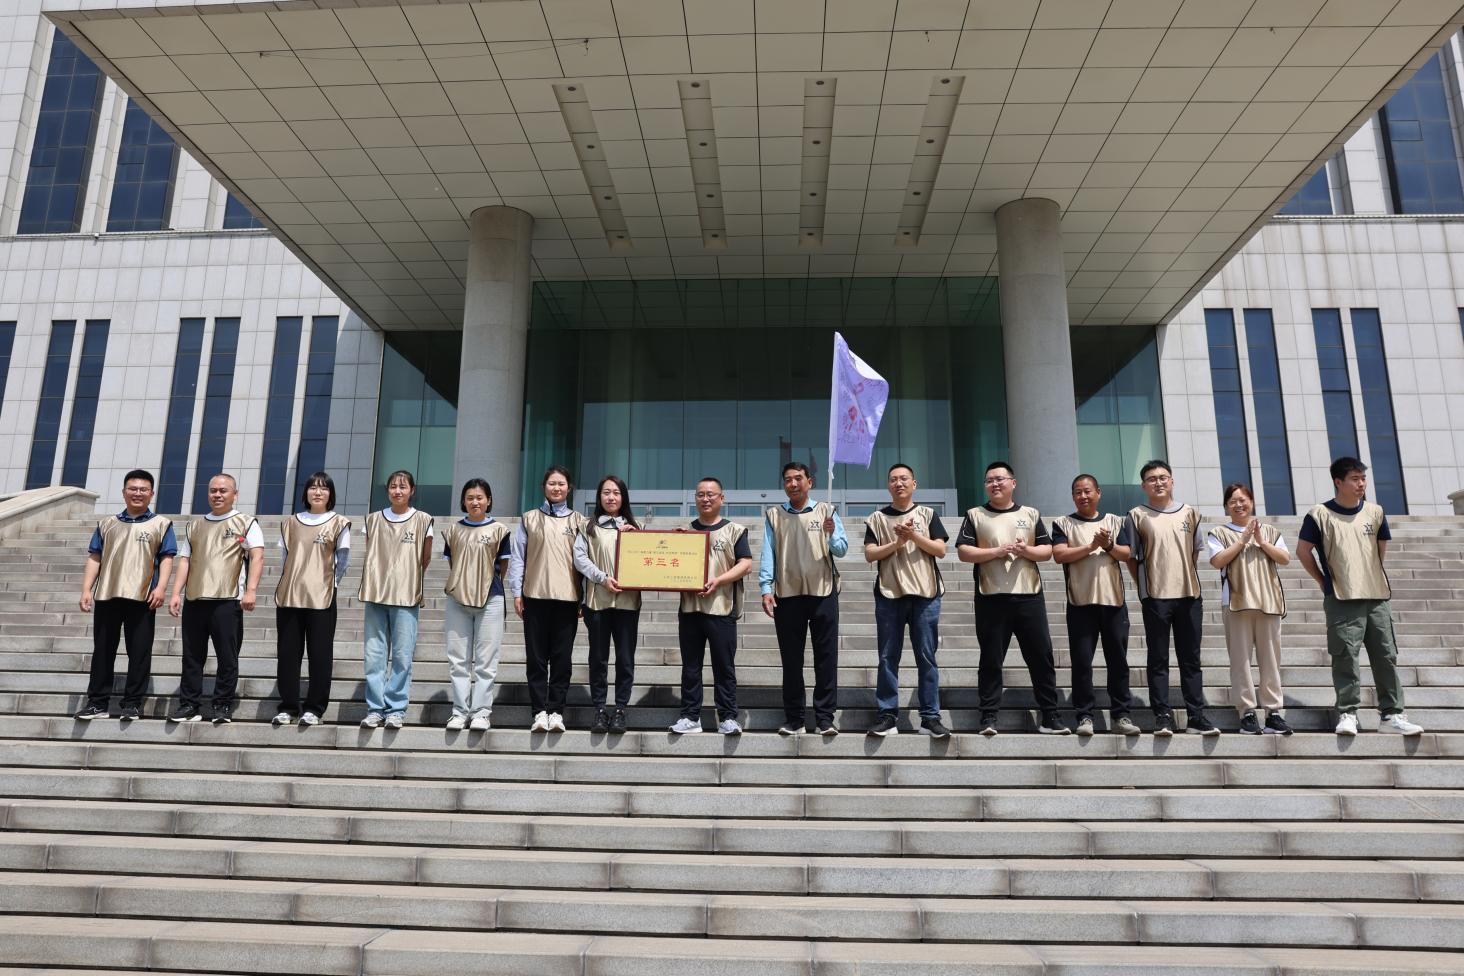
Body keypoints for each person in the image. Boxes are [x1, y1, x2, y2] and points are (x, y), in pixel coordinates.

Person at [1297, 456, 1423, 736]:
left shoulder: (1375, 512)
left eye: (1363, 478)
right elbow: (1303, 551)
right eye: (1355, 479)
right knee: (1345, 657)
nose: (1361, 484)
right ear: (1338, 482)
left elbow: (1380, 549)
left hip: (1376, 597)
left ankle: (1392, 715)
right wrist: (1322, 581)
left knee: (1386, 656)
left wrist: (1369, 575)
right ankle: (1348, 713)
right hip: (1341, 598)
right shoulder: (1319, 514)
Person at [956, 461, 1069, 736]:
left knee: (1041, 657)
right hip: (991, 596)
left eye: (1000, 479)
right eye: (989, 480)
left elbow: (1047, 551)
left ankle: (1050, 716)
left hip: (1028, 595)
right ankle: (988, 716)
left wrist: (1024, 550)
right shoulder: (975, 515)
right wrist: (995, 552)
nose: (995, 484)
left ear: (1013, 483)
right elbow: (963, 551)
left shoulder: (1030, 514)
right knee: (991, 659)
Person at [74, 469, 177, 722]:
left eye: (143, 489)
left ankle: (132, 704)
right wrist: (86, 589)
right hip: (107, 595)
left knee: (139, 652)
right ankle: (97, 703)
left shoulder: (161, 524)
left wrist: (161, 588)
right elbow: (95, 557)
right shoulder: (107, 524)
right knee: (103, 651)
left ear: (151, 493)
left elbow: (167, 558)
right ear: (124, 492)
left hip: (143, 597)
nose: (137, 493)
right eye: (133, 488)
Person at [1126, 459, 1217, 736]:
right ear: (1144, 486)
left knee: (1191, 659)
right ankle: (1162, 715)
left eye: (1163, 477)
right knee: (1158, 659)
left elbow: (1195, 552)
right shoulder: (1136, 515)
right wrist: (1145, 585)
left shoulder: (1190, 513)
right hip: (1155, 597)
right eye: (1152, 479)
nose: (1158, 482)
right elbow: (1131, 557)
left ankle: (1196, 716)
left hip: (1189, 595)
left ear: (1172, 481)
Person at [167, 473, 264, 724]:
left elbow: (257, 556)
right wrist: (175, 593)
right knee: (192, 656)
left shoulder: (246, 523)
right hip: (195, 599)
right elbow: (185, 560)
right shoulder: (195, 525)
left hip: (227, 599)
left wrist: (251, 590)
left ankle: (222, 705)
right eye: (213, 490)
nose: (217, 495)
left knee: (227, 657)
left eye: (223, 490)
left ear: (235, 494)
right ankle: (189, 705)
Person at [760, 462, 847, 736]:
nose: (793, 484)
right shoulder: (774, 515)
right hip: (787, 595)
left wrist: (831, 534)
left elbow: (842, 549)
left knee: (826, 658)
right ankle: (795, 719)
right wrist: (765, 588)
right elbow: (768, 553)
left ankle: (825, 718)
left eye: (798, 478)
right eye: (788, 479)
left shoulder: (827, 511)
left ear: (810, 482)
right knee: (791, 660)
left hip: (823, 592)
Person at [863, 462, 949, 738]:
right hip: (890, 594)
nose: (898, 483)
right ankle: (888, 715)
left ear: (914, 484)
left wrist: (913, 536)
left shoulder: (928, 514)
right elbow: (870, 554)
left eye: (903, 478)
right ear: (888, 485)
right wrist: (897, 544)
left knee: (927, 658)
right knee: (888, 657)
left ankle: (930, 718)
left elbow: (940, 549)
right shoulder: (877, 518)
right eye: (893, 479)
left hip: (926, 595)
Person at [1051, 474, 1139, 737]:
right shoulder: (1063, 523)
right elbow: (1059, 554)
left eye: (1088, 491)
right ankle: (1084, 715)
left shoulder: (1114, 521)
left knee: (1118, 661)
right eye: (1078, 492)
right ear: (1073, 496)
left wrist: (1108, 544)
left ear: (1098, 493)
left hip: (1113, 601)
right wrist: (1091, 546)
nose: (1083, 496)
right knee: (1081, 662)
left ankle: (1121, 715)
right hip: (1080, 602)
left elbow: (1126, 553)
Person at [670, 477, 754, 735]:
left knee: (724, 666)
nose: (705, 499)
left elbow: (746, 564)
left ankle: (728, 717)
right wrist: (670, 542)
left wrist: (718, 581)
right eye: (700, 494)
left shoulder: (735, 530)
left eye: (710, 494)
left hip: (722, 608)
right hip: (690, 609)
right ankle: (690, 716)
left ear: (721, 498)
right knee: (690, 667)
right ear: (695, 498)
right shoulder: (685, 532)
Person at [1208, 482, 1292, 736]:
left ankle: (1273, 713)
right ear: (1226, 506)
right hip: (1236, 603)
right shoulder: (1218, 532)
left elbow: (1285, 558)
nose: (1239, 505)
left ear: (1252, 502)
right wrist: (1242, 541)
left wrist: (1261, 542)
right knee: (1240, 661)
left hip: (1268, 603)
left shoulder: (1270, 531)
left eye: (1243, 500)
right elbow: (1217, 561)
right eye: (1233, 501)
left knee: (1271, 660)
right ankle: (1246, 712)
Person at [508, 465, 587, 733]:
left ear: (569, 488)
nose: (556, 488)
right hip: (535, 596)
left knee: (562, 659)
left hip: (567, 599)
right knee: (536, 658)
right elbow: (518, 557)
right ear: (544, 487)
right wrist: (516, 592)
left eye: (561, 484)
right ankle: (539, 711)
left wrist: (583, 597)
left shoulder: (579, 521)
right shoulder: (529, 518)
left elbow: (585, 560)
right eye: (552, 483)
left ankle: (556, 711)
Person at [273, 471, 350, 728]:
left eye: (324, 488)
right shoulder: (290, 523)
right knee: (288, 654)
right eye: (313, 487)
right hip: (290, 596)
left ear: (330, 494)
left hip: (322, 598)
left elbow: (343, 560)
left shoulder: (339, 523)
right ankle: (288, 707)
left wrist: (329, 584)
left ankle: (314, 709)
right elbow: (285, 559)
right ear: (305, 492)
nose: (318, 492)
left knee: (320, 655)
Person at [358, 470, 434, 730]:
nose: (397, 491)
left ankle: (396, 709)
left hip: (406, 596)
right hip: (376, 594)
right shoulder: (372, 519)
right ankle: (375, 708)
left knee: (402, 655)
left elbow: (425, 558)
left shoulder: (423, 520)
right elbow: (370, 551)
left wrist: (405, 578)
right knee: (374, 655)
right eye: (393, 486)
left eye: (403, 487)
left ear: (412, 490)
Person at [441, 478, 511, 732]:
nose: (475, 502)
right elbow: (453, 563)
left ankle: (481, 712)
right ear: (464, 501)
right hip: (457, 599)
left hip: (491, 599)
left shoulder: (500, 530)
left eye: (480, 497)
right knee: (458, 659)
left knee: (486, 660)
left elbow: (503, 566)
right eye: (470, 498)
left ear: (489, 500)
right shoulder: (453, 530)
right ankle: (459, 712)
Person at [574, 475, 641, 734]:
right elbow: (580, 559)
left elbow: (649, 558)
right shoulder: (588, 527)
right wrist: (602, 578)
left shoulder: (635, 527)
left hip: (627, 603)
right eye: (606, 492)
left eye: (616, 492)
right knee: (598, 658)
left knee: (625, 658)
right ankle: (600, 709)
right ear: (599, 497)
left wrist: (637, 538)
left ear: (623, 497)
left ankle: (621, 709)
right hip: (597, 602)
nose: (611, 497)